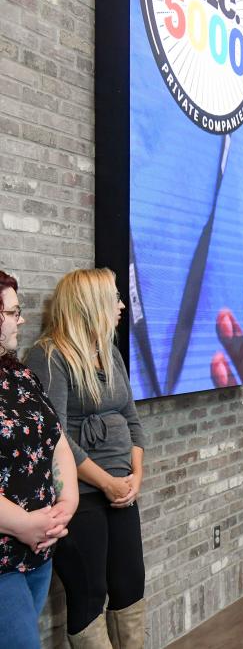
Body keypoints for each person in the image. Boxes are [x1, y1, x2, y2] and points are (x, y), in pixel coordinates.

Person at [24, 268, 147, 647]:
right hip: (81, 498)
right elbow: (54, 435)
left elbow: (132, 419)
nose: (122, 305)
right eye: (115, 298)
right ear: (91, 305)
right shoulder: (49, 356)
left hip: (122, 491)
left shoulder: (109, 352)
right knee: (90, 595)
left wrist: (135, 476)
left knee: (130, 587)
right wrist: (106, 482)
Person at [0, 271, 79, 649]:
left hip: (38, 551)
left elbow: (56, 439)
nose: (22, 319)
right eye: (14, 312)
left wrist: (67, 502)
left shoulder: (20, 374)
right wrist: (24, 524)